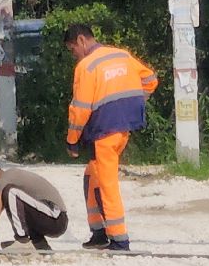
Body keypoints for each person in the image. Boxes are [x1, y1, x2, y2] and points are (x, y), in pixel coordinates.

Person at [63, 24, 158, 251]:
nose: (73, 54)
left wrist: (72, 140)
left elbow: (80, 108)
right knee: (92, 175)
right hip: (123, 129)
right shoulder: (121, 55)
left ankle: (119, 239)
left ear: (81, 40)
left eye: (72, 49)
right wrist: (132, 103)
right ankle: (99, 231)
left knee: (107, 183)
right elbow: (150, 80)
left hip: (104, 131)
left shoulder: (87, 66)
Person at [0, 158, 68, 256]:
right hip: (51, 217)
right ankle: (39, 245)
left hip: (56, 218)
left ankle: (23, 242)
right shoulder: (8, 180)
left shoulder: (6, 179)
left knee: (10, 192)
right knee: (18, 208)